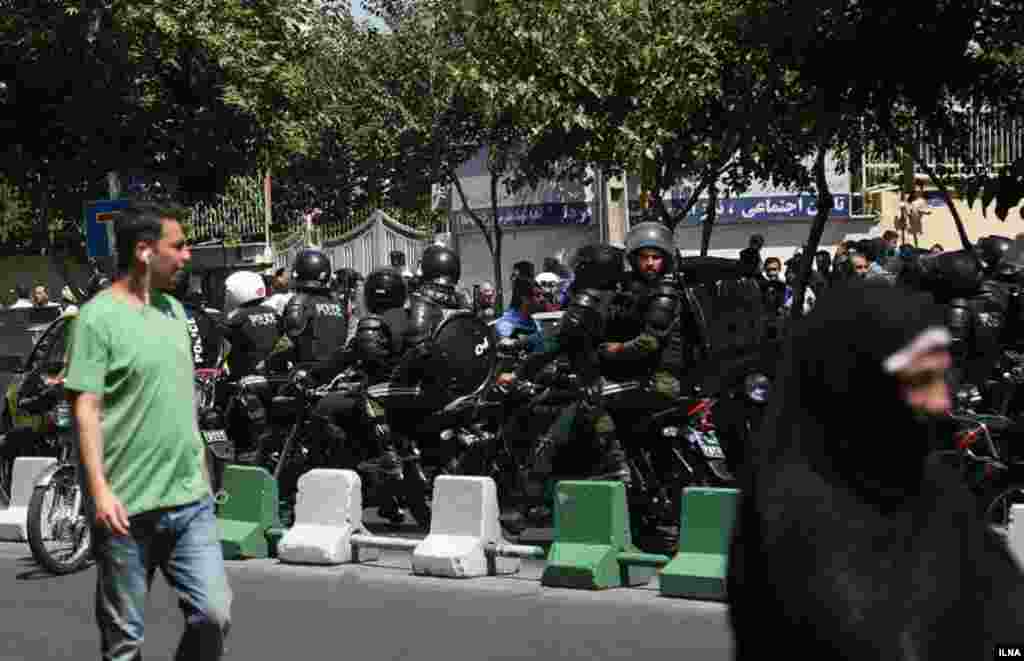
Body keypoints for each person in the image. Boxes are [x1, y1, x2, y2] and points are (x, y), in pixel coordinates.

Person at [726, 280, 1024, 661]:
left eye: (940, 377)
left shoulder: (925, 489)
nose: (940, 402)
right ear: (859, 379)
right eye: (920, 379)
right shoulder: (800, 510)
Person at [63, 201, 231, 661]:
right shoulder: (97, 319)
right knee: (125, 644)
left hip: (189, 501)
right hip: (125, 508)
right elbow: (86, 409)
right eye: (177, 246)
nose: (187, 255)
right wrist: (99, 492)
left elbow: (179, 399)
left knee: (213, 616)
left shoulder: (176, 312)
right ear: (143, 251)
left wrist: (201, 467)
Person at [497, 243, 632, 483]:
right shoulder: (620, 300)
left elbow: (553, 344)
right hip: (614, 382)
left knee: (546, 442)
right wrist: (521, 343)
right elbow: (557, 332)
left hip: (588, 387)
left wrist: (518, 374)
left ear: (588, 270)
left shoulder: (585, 305)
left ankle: (537, 499)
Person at [310, 268, 411, 522]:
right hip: (408, 396)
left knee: (323, 409)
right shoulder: (411, 318)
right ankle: (386, 497)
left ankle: (347, 474)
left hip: (379, 397)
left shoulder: (374, 324)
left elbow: (349, 357)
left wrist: (313, 375)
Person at [219, 270, 283, 464]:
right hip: (274, 380)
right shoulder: (274, 314)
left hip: (245, 384)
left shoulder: (236, 320)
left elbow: (221, 350)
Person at [281, 248, 349, 367]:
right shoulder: (337, 302)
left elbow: (291, 334)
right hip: (337, 366)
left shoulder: (299, 300)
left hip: (309, 369)